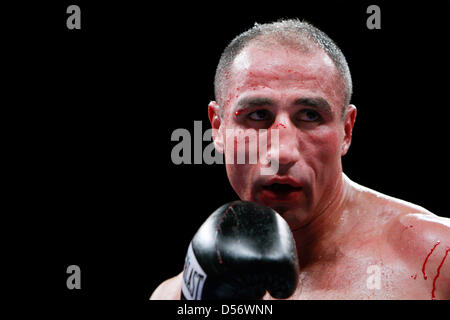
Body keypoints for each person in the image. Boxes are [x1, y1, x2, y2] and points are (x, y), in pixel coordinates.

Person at [151, 19, 449, 300]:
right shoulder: (174, 295)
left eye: (309, 116)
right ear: (218, 128)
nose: (283, 153)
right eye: (257, 115)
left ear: (346, 130)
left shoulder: (435, 259)